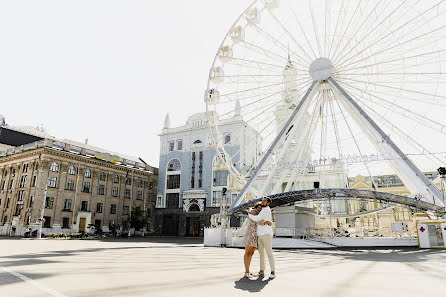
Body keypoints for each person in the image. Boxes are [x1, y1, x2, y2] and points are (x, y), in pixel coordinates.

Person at [242, 202, 272, 278]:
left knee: (251, 253)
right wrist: (267, 222)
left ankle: (247, 271)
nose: (259, 209)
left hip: (256, 235)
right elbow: (259, 222)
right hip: (250, 234)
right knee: (247, 252)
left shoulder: (258, 214)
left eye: (260, 208)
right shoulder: (253, 211)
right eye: (258, 207)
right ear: (255, 207)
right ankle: (246, 271)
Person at [249, 197, 276, 279]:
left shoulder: (266, 210)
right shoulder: (262, 210)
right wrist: (264, 222)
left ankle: (273, 272)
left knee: (269, 253)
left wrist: (249, 215)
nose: (263, 202)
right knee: (261, 254)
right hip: (260, 234)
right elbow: (259, 220)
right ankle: (262, 271)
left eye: (264, 201)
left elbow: (257, 218)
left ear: (268, 203)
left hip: (266, 234)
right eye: (262, 201)